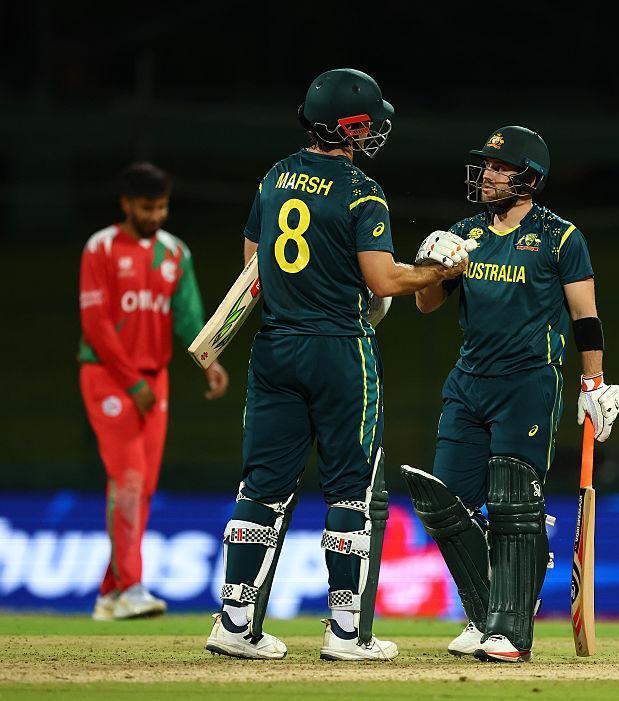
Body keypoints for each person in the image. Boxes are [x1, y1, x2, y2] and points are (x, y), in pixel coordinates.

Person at [204, 68, 470, 662]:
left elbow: (254, 265)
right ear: (350, 127)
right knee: (350, 491)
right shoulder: (361, 191)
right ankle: (346, 632)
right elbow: (383, 280)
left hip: (274, 346)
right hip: (338, 350)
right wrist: (441, 271)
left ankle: (235, 620)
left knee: (263, 488)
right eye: (368, 122)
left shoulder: (274, 178)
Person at [401, 126, 619, 662]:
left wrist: (594, 381)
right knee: (445, 501)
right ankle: (483, 613)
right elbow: (426, 306)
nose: (487, 175)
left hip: (528, 382)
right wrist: (433, 269)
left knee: (512, 505)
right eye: (486, 166)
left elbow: (585, 318)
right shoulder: (465, 234)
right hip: (468, 381)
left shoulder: (560, 237)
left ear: (528, 178)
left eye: (499, 168)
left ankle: (510, 629)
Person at [78, 162, 229, 620]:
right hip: (108, 376)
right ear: (126, 204)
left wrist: (210, 362)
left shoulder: (175, 253)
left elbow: (187, 317)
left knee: (141, 488)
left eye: (162, 206)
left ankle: (110, 593)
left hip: (153, 380)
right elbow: (97, 325)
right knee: (126, 480)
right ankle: (131, 587)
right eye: (148, 207)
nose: (157, 214)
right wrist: (132, 382)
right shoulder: (100, 248)